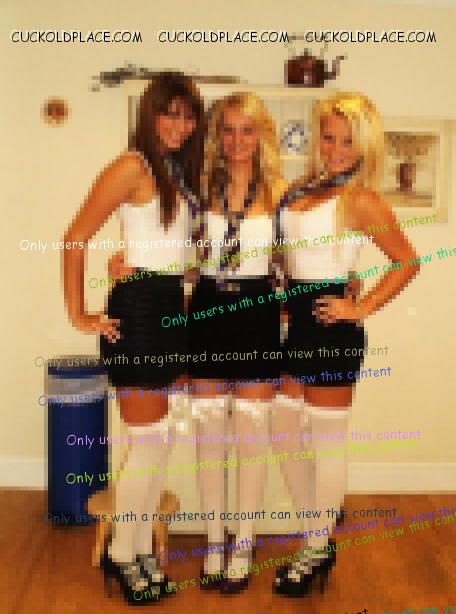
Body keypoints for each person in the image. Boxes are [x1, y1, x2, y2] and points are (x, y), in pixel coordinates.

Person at [62, 71, 205, 605]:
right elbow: (74, 238)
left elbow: (168, 252)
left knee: (159, 441)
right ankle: (123, 554)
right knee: (147, 443)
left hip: (170, 308)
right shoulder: (132, 165)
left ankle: (140, 546)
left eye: (188, 116)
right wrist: (79, 314)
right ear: (149, 114)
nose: (179, 125)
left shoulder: (176, 173)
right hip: (140, 313)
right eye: (170, 113)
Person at [270, 92, 420, 597]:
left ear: (365, 146)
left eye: (347, 141)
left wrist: (361, 305)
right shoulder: (301, 189)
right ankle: (317, 534)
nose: (335, 149)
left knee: (326, 443)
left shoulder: (361, 199)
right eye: (329, 138)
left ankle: (313, 549)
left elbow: (407, 262)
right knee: (283, 428)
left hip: (332, 330)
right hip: (297, 324)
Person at [188, 92, 287, 594]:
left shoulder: (282, 192)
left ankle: (243, 546)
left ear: (262, 133)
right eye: (227, 129)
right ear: (216, 135)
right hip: (207, 306)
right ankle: (213, 543)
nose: (237, 140)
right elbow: (176, 251)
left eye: (247, 129)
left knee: (250, 437)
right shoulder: (198, 186)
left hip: (257, 311)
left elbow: (297, 259)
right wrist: (126, 263)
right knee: (209, 438)